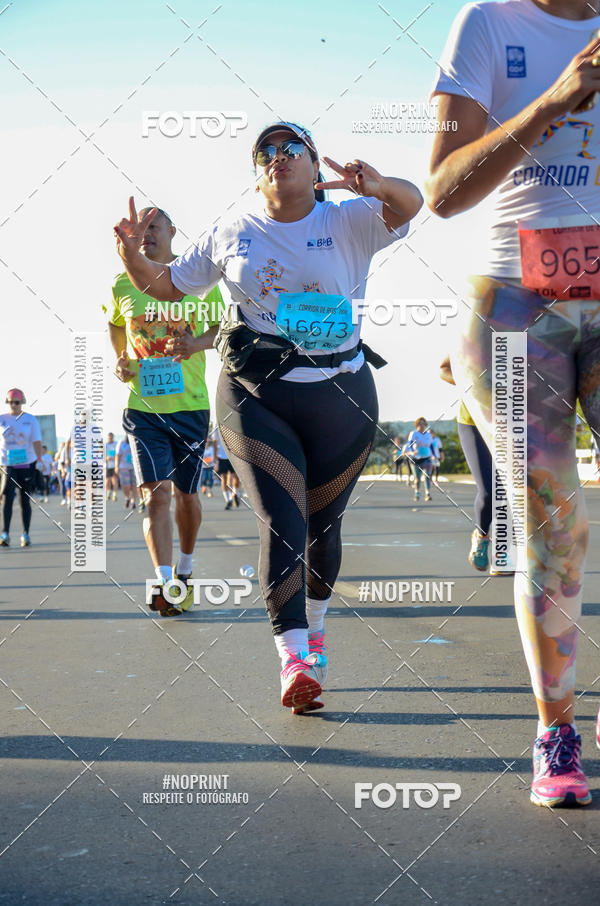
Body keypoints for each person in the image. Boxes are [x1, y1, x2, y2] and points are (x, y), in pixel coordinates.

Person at [114, 120, 422, 713]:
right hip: (256, 395)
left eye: (291, 149)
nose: (277, 157)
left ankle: (318, 627)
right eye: (265, 153)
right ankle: (295, 659)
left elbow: (414, 205)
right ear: (256, 174)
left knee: (322, 527)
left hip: (341, 394)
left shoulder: (350, 219)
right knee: (283, 524)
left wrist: (380, 185)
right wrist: (131, 255)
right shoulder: (233, 230)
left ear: (313, 164)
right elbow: (166, 288)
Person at [427, 0, 600, 805]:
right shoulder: (487, 23)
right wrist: (556, 98)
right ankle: (555, 728)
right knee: (554, 520)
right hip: (513, 309)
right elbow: (442, 190)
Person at [107, 204, 223, 617]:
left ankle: (186, 570)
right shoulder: (123, 284)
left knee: (187, 497)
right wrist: (121, 358)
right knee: (155, 496)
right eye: (141, 229)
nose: (148, 233)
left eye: (154, 226)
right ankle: (164, 582)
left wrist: (196, 344)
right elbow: (116, 324)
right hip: (143, 407)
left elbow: (223, 329)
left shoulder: (199, 280)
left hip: (190, 406)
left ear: (173, 230)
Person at [0, 389, 42, 547]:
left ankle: (25, 534)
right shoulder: (1, 419)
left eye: (16, 402)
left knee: (24, 499)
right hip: (7, 464)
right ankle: (5, 534)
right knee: (7, 498)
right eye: (10, 402)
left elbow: (37, 442)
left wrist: (39, 461)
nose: (13, 405)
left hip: (26, 464)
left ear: (22, 402)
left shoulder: (30, 420)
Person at [406, 418, 435, 502]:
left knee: (427, 476)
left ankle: (428, 494)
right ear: (416, 425)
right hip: (416, 459)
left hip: (427, 458)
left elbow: (431, 446)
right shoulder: (414, 434)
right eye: (419, 424)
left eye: (423, 424)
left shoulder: (428, 435)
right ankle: (417, 493)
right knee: (417, 478)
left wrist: (434, 455)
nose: (421, 426)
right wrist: (412, 451)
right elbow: (409, 444)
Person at [216, 430, 240, 510]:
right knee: (224, 478)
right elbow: (215, 443)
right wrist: (215, 460)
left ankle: (234, 494)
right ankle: (228, 500)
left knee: (235, 478)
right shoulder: (216, 428)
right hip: (221, 456)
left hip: (232, 455)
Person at [115, 436, 138, 510]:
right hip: (123, 467)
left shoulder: (136, 440)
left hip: (135, 467)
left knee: (134, 485)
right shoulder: (121, 443)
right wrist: (116, 467)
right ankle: (127, 497)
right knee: (126, 485)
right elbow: (118, 455)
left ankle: (133, 502)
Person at [105, 432, 118, 501]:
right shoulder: (105, 445)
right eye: (109, 438)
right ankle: (108, 493)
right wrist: (106, 458)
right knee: (107, 481)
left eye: (111, 437)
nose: (110, 439)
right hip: (107, 465)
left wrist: (115, 458)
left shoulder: (116, 444)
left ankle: (114, 494)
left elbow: (119, 453)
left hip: (115, 465)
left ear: (113, 437)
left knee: (114, 480)